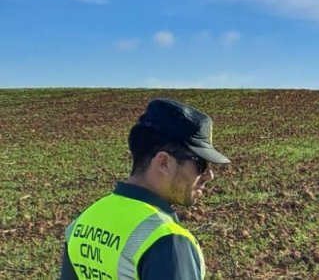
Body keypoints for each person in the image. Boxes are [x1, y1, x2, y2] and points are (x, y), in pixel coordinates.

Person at [59, 98, 231, 280]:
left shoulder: (83, 222)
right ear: (164, 162)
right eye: (201, 165)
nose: (209, 175)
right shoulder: (167, 241)